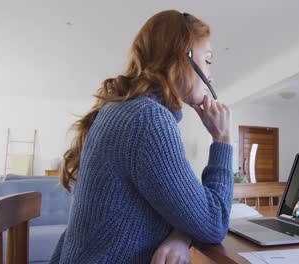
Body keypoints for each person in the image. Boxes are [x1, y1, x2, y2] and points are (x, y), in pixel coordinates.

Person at [50, 10, 233, 264]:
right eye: (208, 60)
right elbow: (214, 223)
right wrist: (222, 139)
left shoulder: (125, 110)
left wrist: (181, 234)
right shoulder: (148, 121)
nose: (210, 75)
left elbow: (182, 207)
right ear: (183, 56)